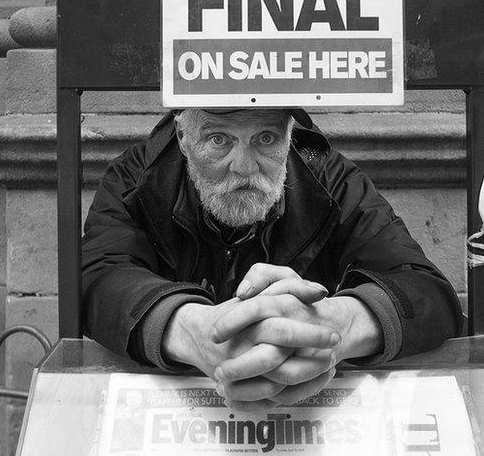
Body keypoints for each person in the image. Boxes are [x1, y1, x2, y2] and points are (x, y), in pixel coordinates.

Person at [81, 107, 463, 410]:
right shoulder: (136, 179)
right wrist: (191, 329)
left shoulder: (329, 179)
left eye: (266, 138)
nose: (244, 166)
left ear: (290, 134)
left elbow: (427, 291)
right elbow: (99, 279)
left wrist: (336, 327)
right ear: (183, 137)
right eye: (219, 139)